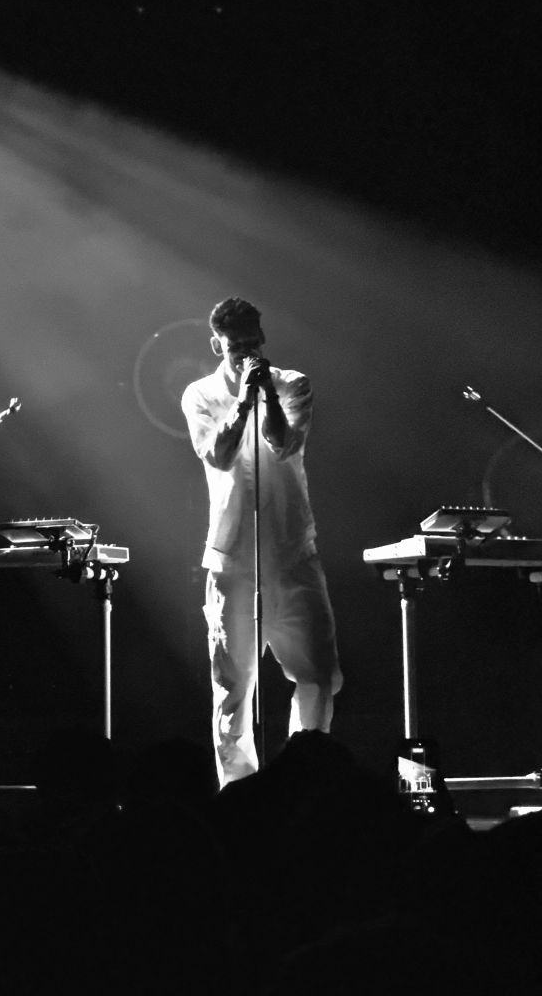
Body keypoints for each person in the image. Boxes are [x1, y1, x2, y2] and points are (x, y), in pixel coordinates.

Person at [181, 297, 342, 787]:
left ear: (263, 339)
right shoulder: (199, 394)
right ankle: (239, 794)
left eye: (253, 343)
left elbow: (285, 443)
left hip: (293, 553)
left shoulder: (293, 384)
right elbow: (219, 456)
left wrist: (265, 393)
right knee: (234, 688)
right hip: (233, 560)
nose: (246, 353)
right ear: (217, 345)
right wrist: (242, 401)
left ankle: (303, 781)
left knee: (319, 674)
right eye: (236, 346)